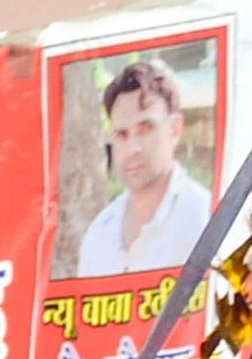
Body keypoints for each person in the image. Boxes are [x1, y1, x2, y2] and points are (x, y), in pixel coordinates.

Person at [74, 58, 210, 278]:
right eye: (122, 134)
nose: (132, 148)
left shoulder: (204, 220)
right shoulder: (99, 234)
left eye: (146, 128)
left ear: (175, 129)